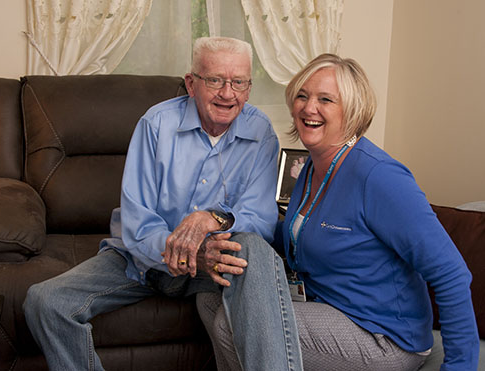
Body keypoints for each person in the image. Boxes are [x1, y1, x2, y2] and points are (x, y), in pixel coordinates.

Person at [23, 36, 293, 371]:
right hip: (142, 261)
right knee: (45, 301)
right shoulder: (156, 124)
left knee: (252, 248)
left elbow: (262, 218)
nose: (228, 93)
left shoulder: (261, 132)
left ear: (249, 88)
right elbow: (138, 225)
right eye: (215, 80)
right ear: (191, 84)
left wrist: (212, 219)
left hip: (211, 268)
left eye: (238, 82)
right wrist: (190, 251)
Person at [197, 53, 480, 370]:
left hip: (382, 335)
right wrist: (228, 234)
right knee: (209, 298)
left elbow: (451, 273)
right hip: (325, 308)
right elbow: (298, 233)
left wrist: (459, 367)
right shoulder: (310, 169)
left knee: (231, 324)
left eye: (325, 99)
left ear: (352, 110)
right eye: (302, 96)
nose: (309, 107)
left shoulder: (379, 177)